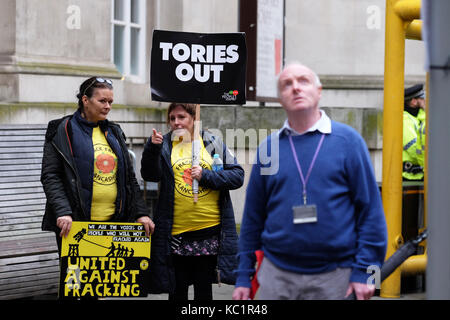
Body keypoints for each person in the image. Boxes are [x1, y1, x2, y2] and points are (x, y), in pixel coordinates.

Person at [232, 63, 387, 300]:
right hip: (276, 277)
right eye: (287, 84)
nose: (295, 88)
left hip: (336, 277)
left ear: (319, 90)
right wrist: (243, 276)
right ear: (280, 98)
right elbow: (253, 219)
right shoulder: (268, 149)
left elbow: (371, 214)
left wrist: (367, 273)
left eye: (303, 81)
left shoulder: (349, 143)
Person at [141, 103, 244, 300]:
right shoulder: (163, 143)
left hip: (208, 232)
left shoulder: (212, 142)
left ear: (193, 119)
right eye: (172, 118)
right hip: (177, 234)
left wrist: (205, 176)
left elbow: (237, 176)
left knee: (203, 290)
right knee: (176, 289)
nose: (176, 122)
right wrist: (152, 149)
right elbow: (150, 175)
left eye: (181, 117)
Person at [41, 76, 155, 252]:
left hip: (114, 224)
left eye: (110, 101)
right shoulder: (62, 130)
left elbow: (129, 178)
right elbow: (51, 175)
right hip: (76, 224)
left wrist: (141, 213)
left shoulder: (114, 132)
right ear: (85, 100)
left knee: (111, 279)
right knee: (77, 278)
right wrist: (63, 211)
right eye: (102, 101)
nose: (108, 106)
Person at [403, 84, 426, 181]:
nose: (426, 101)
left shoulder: (421, 116)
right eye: (423, 98)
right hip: (410, 178)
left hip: (422, 175)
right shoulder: (404, 119)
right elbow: (414, 150)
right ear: (413, 101)